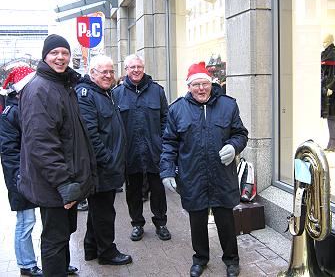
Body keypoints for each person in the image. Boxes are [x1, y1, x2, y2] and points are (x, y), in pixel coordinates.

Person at [18, 34, 97, 277]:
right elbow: (41, 144)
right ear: (45, 56)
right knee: (54, 240)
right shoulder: (41, 89)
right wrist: (64, 183)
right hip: (56, 184)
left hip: (64, 181)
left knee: (61, 237)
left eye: (64, 53)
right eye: (55, 53)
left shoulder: (60, 85)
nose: (61, 57)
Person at [160, 61, 248, 277]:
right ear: (189, 86)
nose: (201, 88)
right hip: (193, 176)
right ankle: (200, 258)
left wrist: (233, 146)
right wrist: (167, 171)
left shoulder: (228, 105)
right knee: (197, 221)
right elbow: (169, 143)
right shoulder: (177, 109)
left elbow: (241, 134)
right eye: (196, 84)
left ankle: (231, 260)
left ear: (211, 84)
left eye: (204, 84)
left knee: (225, 221)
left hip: (221, 175)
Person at [75, 55, 132, 265]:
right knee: (105, 212)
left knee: (98, 209)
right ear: (92, 74)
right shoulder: (87, 95)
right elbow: (91, 135)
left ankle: (91, 248)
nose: (109, 75)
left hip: (108, 165)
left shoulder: (105, 93)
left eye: (111, 71)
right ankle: (107, 252)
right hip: (101, 167)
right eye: (104, 72)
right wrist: (108, 160)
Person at [113, 54, 171, 242]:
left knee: (158, 191)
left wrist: (162, 143)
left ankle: (161, 223)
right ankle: (137, 224)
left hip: (155, 152)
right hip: (131, 154)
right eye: (132, 67)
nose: (136, 70)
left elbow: (165, 119)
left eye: (139, 66)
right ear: (126, 70)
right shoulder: (116, 94)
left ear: (143, 68)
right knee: (133, 192)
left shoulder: (157, 91)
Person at [0, 67, 43, 277]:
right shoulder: (12, 113)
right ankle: (26, 264)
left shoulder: (29, 107)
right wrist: (19, 178)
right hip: (22, 177)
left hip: (37, 175)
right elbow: (9, 152)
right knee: (26, 221)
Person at [321, 34, 335, 152]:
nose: (323, 43)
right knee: (330, 116)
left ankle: (333, 142)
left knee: (332, 116)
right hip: (326, 89)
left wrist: (331, 87)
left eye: (325, 41)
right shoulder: (324, 54)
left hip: (332, 90)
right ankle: (332, 142)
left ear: (330, 41)